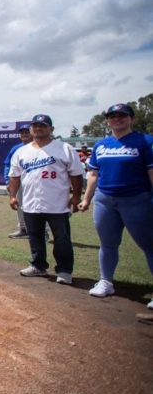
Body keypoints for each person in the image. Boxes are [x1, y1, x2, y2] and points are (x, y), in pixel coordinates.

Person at [78, 104, 153, 308]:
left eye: (122, 115)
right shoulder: (101, 145)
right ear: (107, 120)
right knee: (108, 243)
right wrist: (86, 199)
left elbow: (151, 172)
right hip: (105, 200)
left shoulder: (145, 141)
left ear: (132, 119)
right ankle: (106, 281)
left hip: (136, 199)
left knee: (149, 245)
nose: (117, 119)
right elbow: (93, 174)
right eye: (112, 116)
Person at [8, 114, 83, 284]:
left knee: (61, 238)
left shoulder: (64, 149)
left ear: (51, 129)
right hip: (30, 202)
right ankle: (38, 266)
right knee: (35, 236)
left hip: (57, 203)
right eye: (35, 126)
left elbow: (77, 175)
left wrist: (76, 196)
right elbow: (14, 176)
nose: (38, 128)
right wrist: (13, 196)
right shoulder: (21, 151)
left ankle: (64, 270)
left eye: (42, 125)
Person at [4, 125, 33, 238]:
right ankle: (23, 229)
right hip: (19, 181)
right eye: (22, 132)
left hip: (34, 182)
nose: (24, 134)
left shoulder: (40, 147)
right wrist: (8, 181)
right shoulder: (16, 148)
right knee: (19, 205)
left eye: (27, 131)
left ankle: (43, 231)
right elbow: (7, 165)